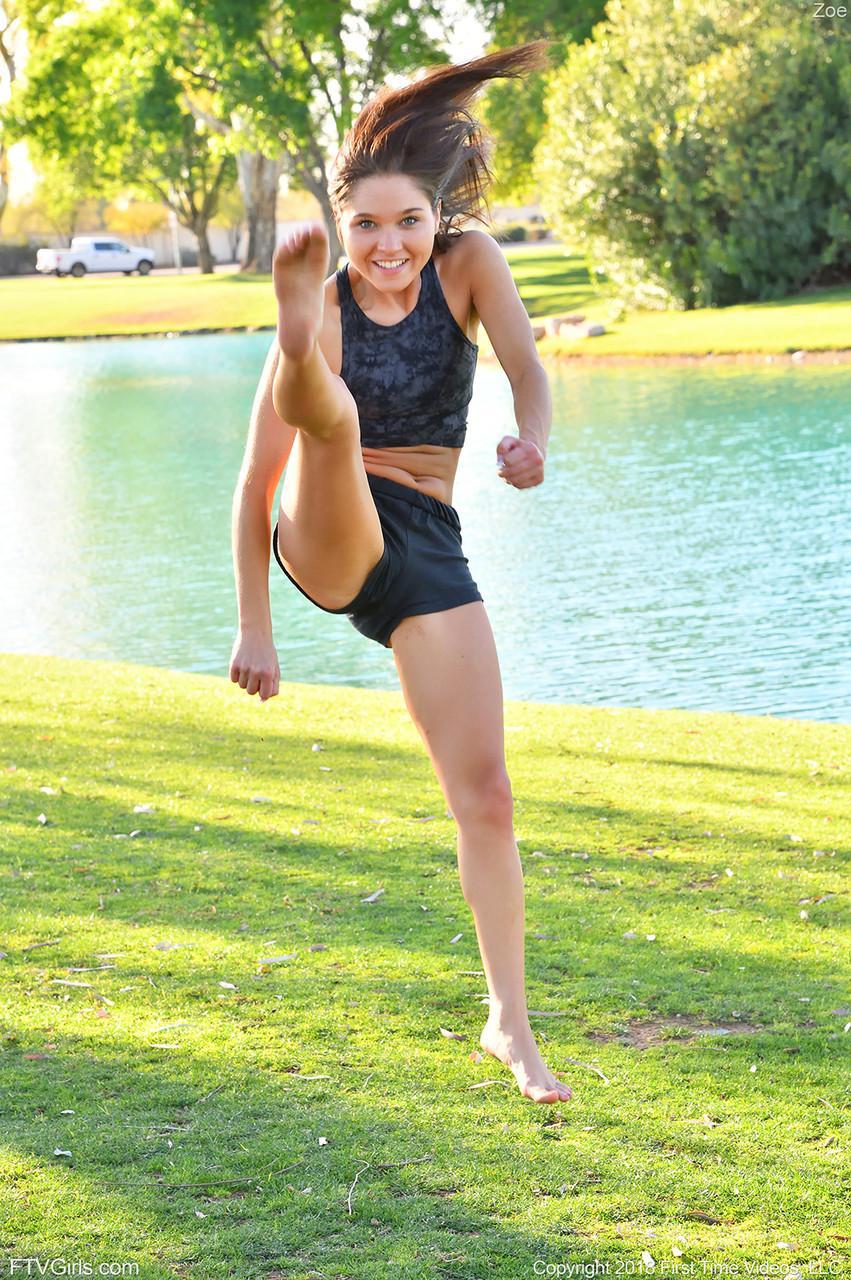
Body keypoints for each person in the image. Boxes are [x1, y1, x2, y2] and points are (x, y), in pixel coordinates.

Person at [230, 41, 571, 1105]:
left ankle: (507, 1025)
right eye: (364, 226)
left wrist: (530, 439)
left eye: (406, 222)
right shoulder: (335, 294)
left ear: (436, 218)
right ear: (340, 230)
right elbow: (251, 488)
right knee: (327, 427)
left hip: (426, 541)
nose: (386, 243)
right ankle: (297, 356)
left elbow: (525, 368)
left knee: (489, 792)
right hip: (326, 530)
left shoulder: (470, 266)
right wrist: (255, 629)